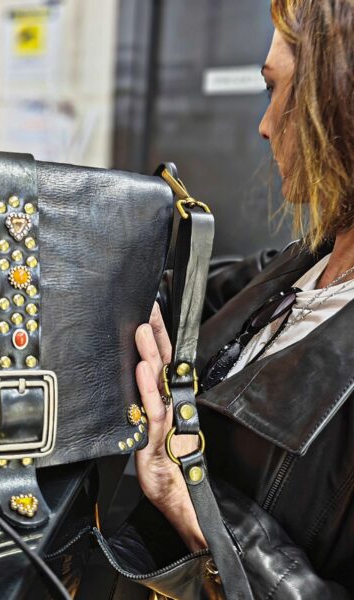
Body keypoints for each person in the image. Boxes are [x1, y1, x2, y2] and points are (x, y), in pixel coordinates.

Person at [131, 0, 354, 597]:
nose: (265, 124)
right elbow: (179, 295)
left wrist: (195, 506)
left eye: (275, 89)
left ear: (339, 101)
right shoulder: (302, 265)